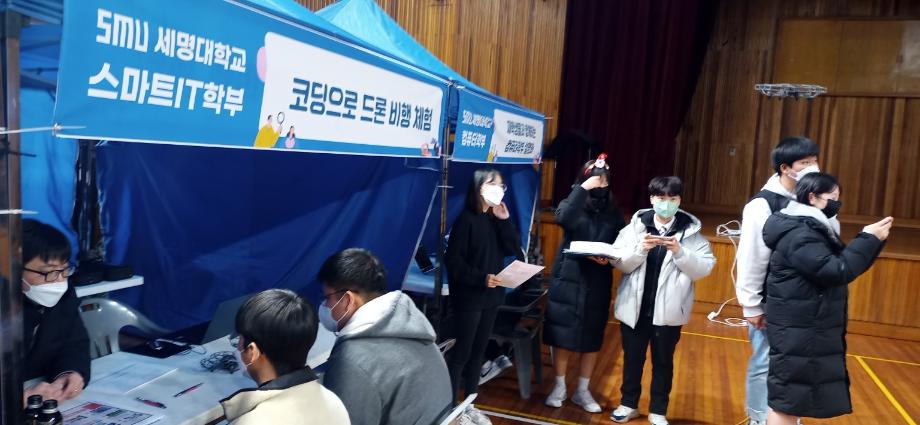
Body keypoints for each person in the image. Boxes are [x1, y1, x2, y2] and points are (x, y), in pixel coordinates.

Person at [762, 173, 890, 424]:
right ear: (812, 197)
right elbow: (836, 270)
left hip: (804, 325)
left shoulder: (808, 226)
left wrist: (872, 241)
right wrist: (868, 238)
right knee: (787, 401)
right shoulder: (800, 233)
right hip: (797, 328)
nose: (836, 204)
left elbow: (842, 267)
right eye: (832, 198)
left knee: (792, 398)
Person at [609, 177, 715, 425]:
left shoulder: (691, 233)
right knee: (632, 360)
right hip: (634, 308)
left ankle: (658, 410)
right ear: (651, 199)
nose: (666, 204)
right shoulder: (635, 227)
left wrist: (680, 251)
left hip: (669, 311)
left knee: (663, 362)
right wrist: (640, 249)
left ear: (679, 200)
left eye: (672, 198)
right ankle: (628, 404)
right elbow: (619, 262)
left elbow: (704, 268)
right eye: (661, 198)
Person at [735, 136, 826, 425]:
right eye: (805, 163)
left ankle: (785, 418)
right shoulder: (762, 205)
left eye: (814, 161)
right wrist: (751, 304)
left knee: (795, 364)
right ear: (785, 168)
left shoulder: (812, 198)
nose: (813, 167)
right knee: (765, 361)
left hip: (803, 299)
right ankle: (758, 418)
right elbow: (752, 257)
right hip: (772, 299)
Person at [318, 248, 452, 425]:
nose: (325, 306)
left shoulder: (350, 359)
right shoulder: (414, 326)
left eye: (327, 298)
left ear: (348, 300)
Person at [543, 154, 626, 412]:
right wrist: (582, 189)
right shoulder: (573, 202)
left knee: (592, 336)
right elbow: (563, 219)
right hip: (568, 276)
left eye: (604, 180)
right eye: (595, 180)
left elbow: (620, 243)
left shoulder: (613, 212)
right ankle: (559, 386)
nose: (600, 184)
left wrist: (609, 258)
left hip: (597, 279)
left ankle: (582, 390)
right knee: (562, 333)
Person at [445, 168, 522, 406]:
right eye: (493, 184)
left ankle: (470, 402)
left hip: (492, 296)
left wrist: (505, 220)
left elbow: (512, 248)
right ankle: (451, 407)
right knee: (462, 353)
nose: (499, 189)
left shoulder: (494, 218)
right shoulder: (466, 220)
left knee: (479, 352)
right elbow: (454, 263)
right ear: (480, 187)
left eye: (501, 185)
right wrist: (481, 278)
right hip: (470, 297)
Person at [220, 289, 349, 424]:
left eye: (240, 339)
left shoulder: (251, 421)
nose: (238, 347)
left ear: (252, 351)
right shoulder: (333, 402)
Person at [21, 219, 90, 405]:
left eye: (65, 270)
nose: (59, 281)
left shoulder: (65, 294)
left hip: (43, 396)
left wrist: (69, 373)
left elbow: (74, 343)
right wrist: (14, 399)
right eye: (49, 272)